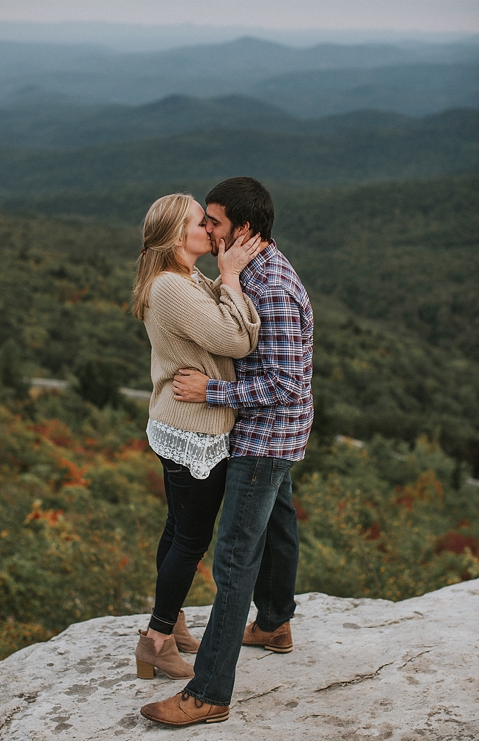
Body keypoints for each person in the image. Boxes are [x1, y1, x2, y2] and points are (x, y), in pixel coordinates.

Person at [141, 177, 314, 727]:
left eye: (212, 221)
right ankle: (275, 623)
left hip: (265, 435)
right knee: (280, 525)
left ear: (243, 228)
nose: (208, 229)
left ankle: (210, 691)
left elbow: (287, 383)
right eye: (203, 221)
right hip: (263, 430)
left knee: (235, 557)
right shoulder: (246, 273)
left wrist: (213, 392)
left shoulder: (273, 285)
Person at [130, 193, 261, 681]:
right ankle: (157, 641)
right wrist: (231, 277)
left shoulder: (184, 278)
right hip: (195, 428)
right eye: (197, 222)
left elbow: (229, 332)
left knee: (177, 527)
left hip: (179, 421)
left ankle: (174, 619)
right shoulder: (172, 287)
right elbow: (238, 340)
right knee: (191, 537)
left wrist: (222, 278)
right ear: (174, 236)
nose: (209, 229)